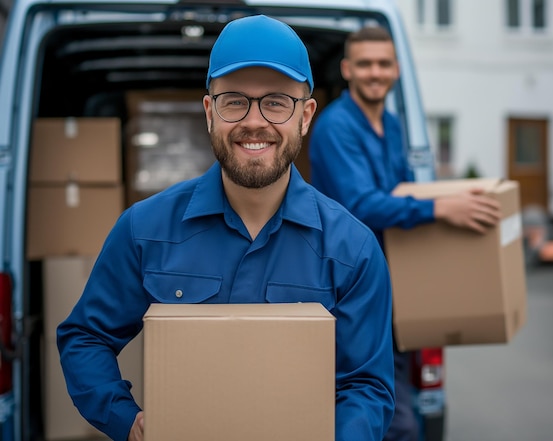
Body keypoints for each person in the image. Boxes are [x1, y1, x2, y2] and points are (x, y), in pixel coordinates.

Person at [57, 15, 395, 441]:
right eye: (234, 100)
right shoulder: (145, 229)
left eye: (276, 101)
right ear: (210, 112)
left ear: (306, 115)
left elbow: (367, 386)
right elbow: (85, 338)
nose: (254, 121)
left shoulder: (353, 250)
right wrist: (128, 421)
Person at [308, 26, 502, 441]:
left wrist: (447, 198)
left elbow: (401, 192)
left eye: (383, 63)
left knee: (396, 404)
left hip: (393, 289)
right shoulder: (335, 127)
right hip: (347, 292)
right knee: (386, 415)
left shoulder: (393, 126)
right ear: (347, 70)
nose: (375, 72)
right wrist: (442, 207)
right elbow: (361, 204)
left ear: (396, 69)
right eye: (364, 64)